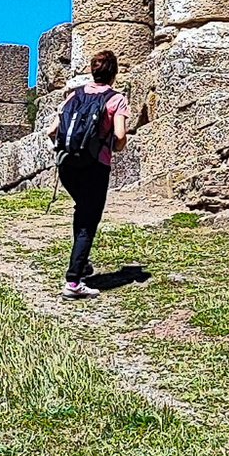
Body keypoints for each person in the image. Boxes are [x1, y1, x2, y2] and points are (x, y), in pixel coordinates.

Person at [53, 49, 128, 299]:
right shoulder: (116, 100)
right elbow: (120, 137)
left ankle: (83, 264)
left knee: (81, 211)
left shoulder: (74, 95)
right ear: (114, 74)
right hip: (95, 167)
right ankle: (74, 282)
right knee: (88, 221)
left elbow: (52, 131)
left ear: (92, 72)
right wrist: (110, 146)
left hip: (67, 166)